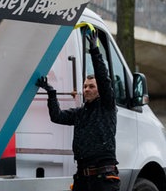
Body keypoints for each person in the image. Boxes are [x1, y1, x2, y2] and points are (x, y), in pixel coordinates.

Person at [36, 28, 120, 191]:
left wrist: (95, 51)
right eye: (85, 86)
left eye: (91, 86)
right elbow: (57, 117)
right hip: (82, 177)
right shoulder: (80, 113)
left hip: (103, 180)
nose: (87, 89)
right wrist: (51, 94)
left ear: (99, 91)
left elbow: (103, 79)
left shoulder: (107, 106)